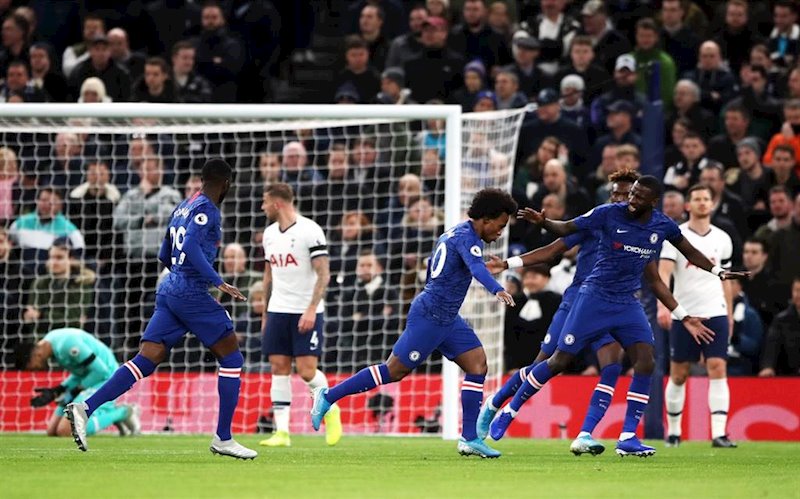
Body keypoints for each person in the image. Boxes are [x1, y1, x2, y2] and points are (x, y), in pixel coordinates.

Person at [488, 176, 748, 457]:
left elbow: (689, 252)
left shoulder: (662, 226)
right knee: (558, 361)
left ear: (653, 202)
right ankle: (509, 411)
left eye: (637, 196)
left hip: (627, 303)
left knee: (646, 361)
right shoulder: (607, 214)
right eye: (631, 194)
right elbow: (565, 230)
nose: (631, 200)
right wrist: (544, 222)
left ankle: (627, 437)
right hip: (594, 297)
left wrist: (717, 272)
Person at [65, 159, 257, 459]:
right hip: (191, 292)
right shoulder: (208, 209)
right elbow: (191, 246)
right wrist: (217, 282)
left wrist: (178, 279)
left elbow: (165, 252)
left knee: (148, 357)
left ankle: (86, 407)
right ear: (227, 184)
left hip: (169, 289)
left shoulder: (184, 205)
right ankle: (223, 437)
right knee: (232, 357)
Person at [310, 188, 518, 458]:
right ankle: (327, 396)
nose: (500, 232)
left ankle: (469, 438)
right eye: (500, 226)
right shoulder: (469, 239)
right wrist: (496, 289)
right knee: (393, 371)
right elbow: (476, 269)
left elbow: (443, 264)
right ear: (486, 219)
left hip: (448, 318)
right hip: (431, 315)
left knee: (478, 364)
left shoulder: (455, 233)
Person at [482, 169, 639, 455]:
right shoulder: (597, 219)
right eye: (614, 192)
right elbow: (553, 248)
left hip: (614, 302)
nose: (618, 198)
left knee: (612, 365)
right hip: (579, 300)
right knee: (548, 363)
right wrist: (508, 264)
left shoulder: (644, 229)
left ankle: (586, 433)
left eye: (625, 194)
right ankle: (497, 403)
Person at [259, 183, 342, 448]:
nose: (262, 207)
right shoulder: (269, 234)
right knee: (278, 367)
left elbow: (324, 274)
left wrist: (310, 308)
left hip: (306, 311)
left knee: (306, 371)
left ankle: (331, 409)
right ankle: (282, 433)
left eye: (264, 202)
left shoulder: (310, 230)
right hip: (278, 310)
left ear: (277, 204)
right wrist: (265, 311)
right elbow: (269, 274)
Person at [658, 184, 737, 448]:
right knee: (679, 373)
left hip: (715, 311)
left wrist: (728, 312)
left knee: (718, 367)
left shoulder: (723, 239)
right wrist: (663, 307)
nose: (702, 203)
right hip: (685, 313)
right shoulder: (676, 236)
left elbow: (726, 279)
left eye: (706, 199)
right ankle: (674, 432)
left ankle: (719, 434)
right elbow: (664, 273)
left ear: (712, 204)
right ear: (688, 205)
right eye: (697, 199)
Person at [14, 328, 139, 438]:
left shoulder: (66, 345)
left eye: (33, 367)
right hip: (90, 379)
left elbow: (101, 371)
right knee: (52, 430)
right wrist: (59, 389)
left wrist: (73, 391)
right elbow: (82, 372)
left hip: (106, 379)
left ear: (36, 355)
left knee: (65, 430)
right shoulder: (52, 343)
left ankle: (123, 412)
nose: (37, 370)